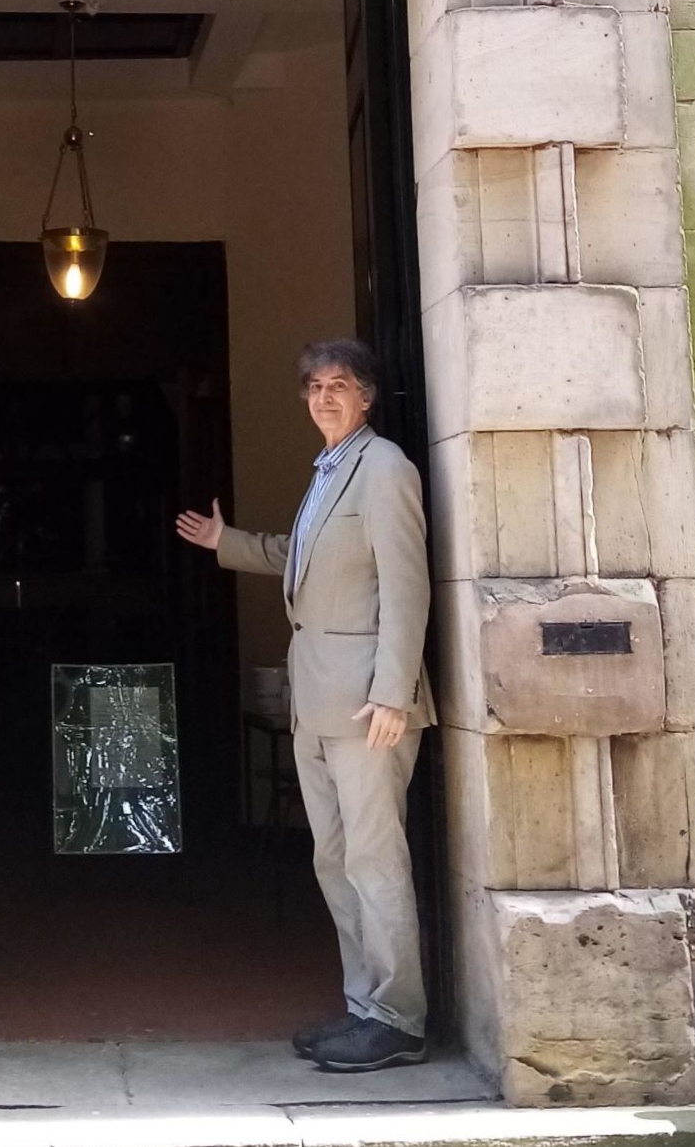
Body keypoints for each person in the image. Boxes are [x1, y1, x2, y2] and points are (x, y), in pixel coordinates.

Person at [176, 337, 433, 1072]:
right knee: (335, 858)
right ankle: (365, 1007)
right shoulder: (328, 470)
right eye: (315, 386)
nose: (324, 397)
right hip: (317, 701)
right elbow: (303, 556)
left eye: (340, 385)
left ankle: (399, 1017)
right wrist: (228, 541)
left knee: (376, 859)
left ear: (368, 396)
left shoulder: (384, 467)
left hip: (366, 706)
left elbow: (406, 585)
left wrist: (394, 691)